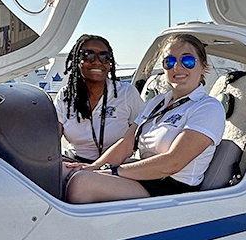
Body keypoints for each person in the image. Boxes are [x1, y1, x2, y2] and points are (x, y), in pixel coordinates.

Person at [65, 33, 226, 203]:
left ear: (203, 66)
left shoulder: (208, 107)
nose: (177, 68)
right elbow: (126, 144)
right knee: (65, 171)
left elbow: (173, 163)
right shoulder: (157, 102)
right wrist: (95, 166)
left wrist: (113, 171)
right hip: (144, 176)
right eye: (169, 62)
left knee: (81, 184)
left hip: (172, 188)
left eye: (187, 61)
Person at [54, 35, 144, 162]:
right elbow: (52, 139)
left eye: (104, 57)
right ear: (77, 60)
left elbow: (142, 131)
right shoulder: (65, 96)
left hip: (115, 165)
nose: (97, 62)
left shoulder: (126, 93)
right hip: (75, 163)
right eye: (88, 55)